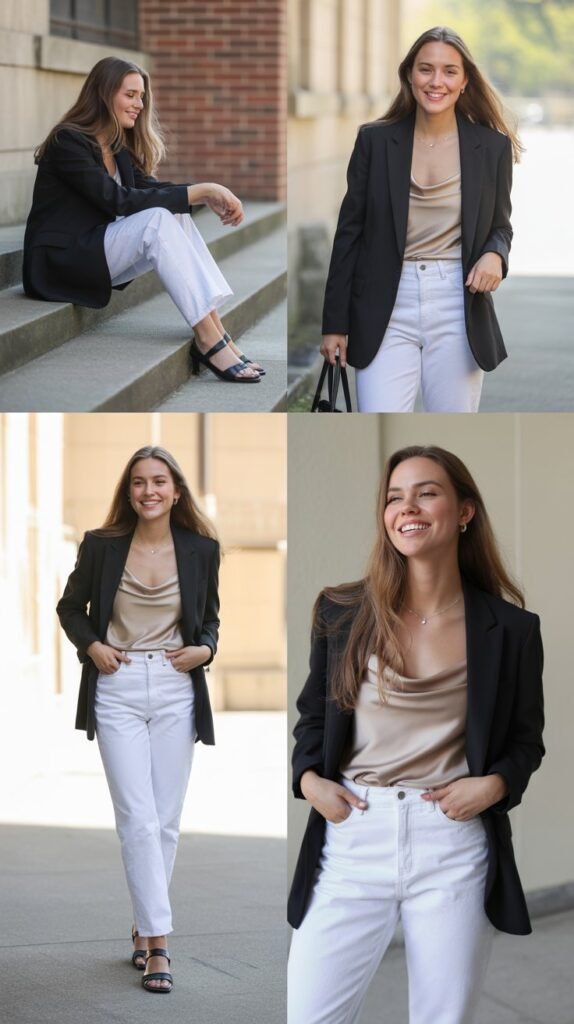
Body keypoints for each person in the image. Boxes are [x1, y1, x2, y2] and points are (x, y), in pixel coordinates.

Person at [288, 445, 544, 1024]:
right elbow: (314, 718)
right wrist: (308, 782)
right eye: (394, 497)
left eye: (426, 492)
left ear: (464, 512)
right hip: (354, 832)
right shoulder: (341, 611)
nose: (408, 507)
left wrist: (495, 786)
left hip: (451, 842)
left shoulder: (511, 630)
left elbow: (527, 740)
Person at [57, 445, 220, 994]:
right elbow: (68, 608)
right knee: (139, 817)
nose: (148, 491)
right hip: (118, 683)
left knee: (166, 821)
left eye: (158, 481)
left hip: (176, 684)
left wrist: (206, 650)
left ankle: (144, 923)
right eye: (137, 483)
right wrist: (92, 647)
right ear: (128, 493)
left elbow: (211, 619)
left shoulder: (202, 548)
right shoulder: (102, 546)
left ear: (176, 490)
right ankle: (158, 945)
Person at [24, 56, 263, 383]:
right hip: (59, 262)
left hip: (94, 250)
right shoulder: (69, 141)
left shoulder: (114, 143)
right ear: (104, 94)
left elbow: (150, 189)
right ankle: (208, 340)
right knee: (157, 221)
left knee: (172, 215)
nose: (139, 104)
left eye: (141, 96)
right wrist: (204, 189)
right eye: (130, 95)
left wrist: (206, 194)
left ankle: (218, 333)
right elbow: (117, 199)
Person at [320, 27, 522, 412]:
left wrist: (496, 256)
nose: (436, 81)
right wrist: (334, 323)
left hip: (457, 301)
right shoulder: (374, 142)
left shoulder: (490, 147)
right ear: (409, 75)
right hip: (384, 304)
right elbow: (349, 235)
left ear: (465, 81)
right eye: (426, 69)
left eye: (449, 71)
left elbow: (501, 225)